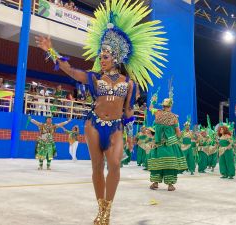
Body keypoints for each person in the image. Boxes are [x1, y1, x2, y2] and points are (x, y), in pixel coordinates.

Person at [35, 0, 167, 223]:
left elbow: (127, 112)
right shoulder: (94, 77)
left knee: (114, 165)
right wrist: (51, 49)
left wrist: (132, 135)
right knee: (97, 167)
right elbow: (69, 70)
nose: (101, 60)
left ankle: (109, 207)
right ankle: (101, 211)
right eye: (99, 56)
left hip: (115, 127)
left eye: (104, 56)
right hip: (94, 125)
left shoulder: (130, 84)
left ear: (116, 57)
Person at [148, 87, 188, 191]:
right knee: (170, 163)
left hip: (158, 143)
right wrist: (180, 138)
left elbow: (150, 108)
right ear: (170, 106)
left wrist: (153, 100)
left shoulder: (157, 113)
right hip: (170, 144)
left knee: (157, 162)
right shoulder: (174, 117)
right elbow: (178, 132)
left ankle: (155, 183)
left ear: (163, 106)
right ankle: (170, 185)